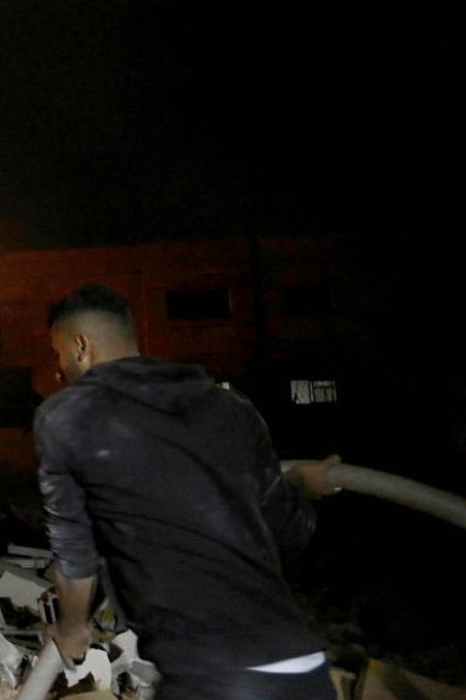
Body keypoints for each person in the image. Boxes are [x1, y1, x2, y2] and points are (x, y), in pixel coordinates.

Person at [34, 283, 341, 700]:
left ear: (81, 346)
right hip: (303, 671)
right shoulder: (229, 408)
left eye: (59, 355)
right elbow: (282, 535)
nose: (58, 370)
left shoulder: (69, 416)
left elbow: (73, 551)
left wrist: (72, 630)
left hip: (213, 680)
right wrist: (301, 486)